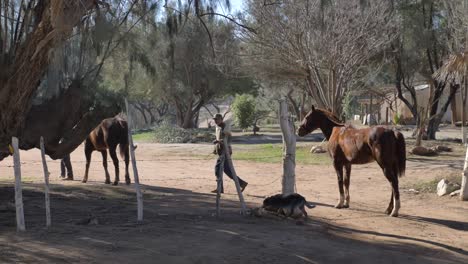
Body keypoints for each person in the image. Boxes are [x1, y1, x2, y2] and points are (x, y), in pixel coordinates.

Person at [212, 113, 248, 193]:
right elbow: (218, 138)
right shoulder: (218, 127)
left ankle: (220, 188)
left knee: (218, 169)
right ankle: (241, 183)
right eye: (214, 119)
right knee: (226, 170)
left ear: (221, 119)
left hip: (226, 150)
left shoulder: (225, 127)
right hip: (221, 150)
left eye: (217, 119)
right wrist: (216, 148)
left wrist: (218, 141)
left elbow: (228, 139)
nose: (215, 121)